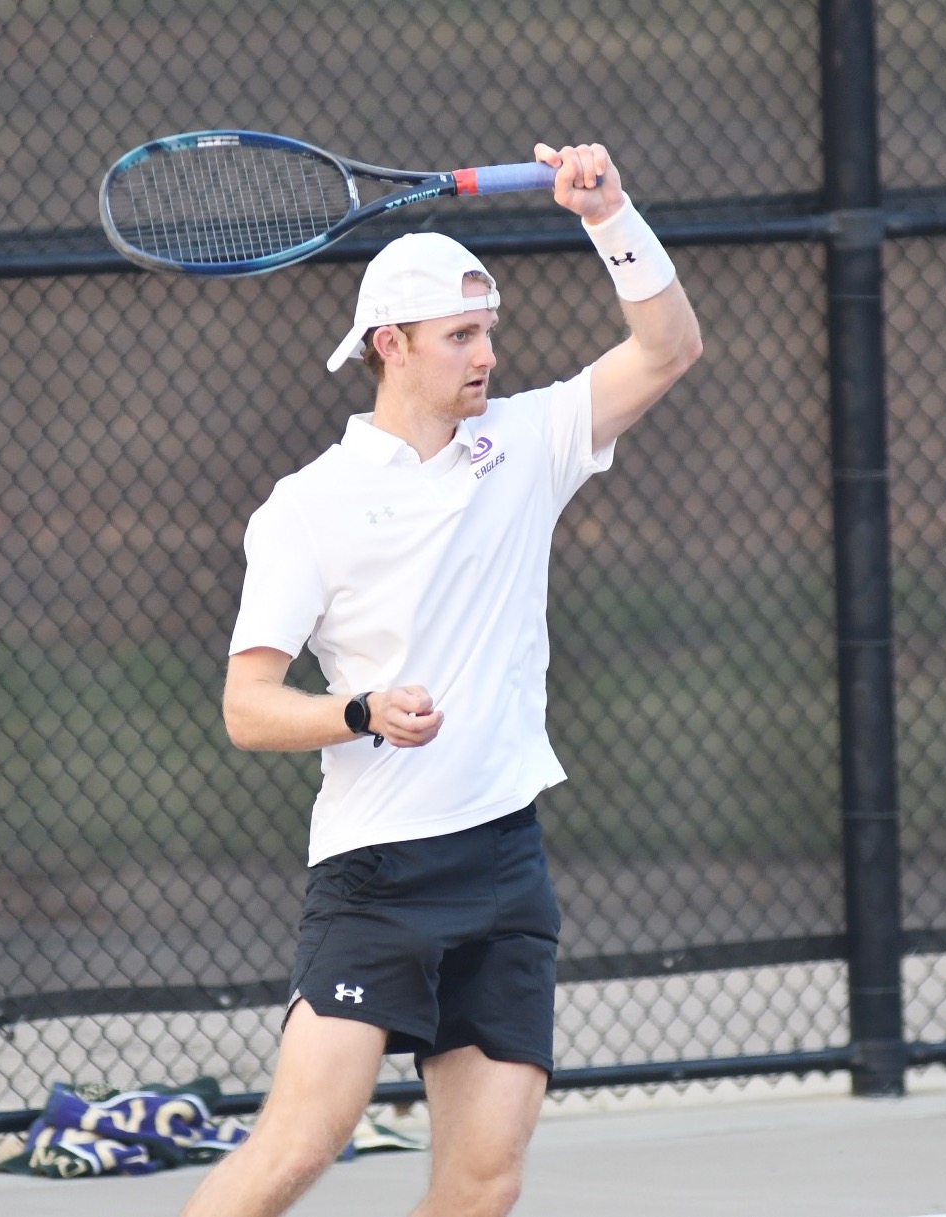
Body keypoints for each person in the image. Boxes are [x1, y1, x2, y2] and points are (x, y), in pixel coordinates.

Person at [184, 141, 702, 1217]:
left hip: (505, 863)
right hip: (376, 878)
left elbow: (666, 347)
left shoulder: (525, 442)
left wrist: (606, 212)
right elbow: (246, 706)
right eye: (460, 335)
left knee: (481, 1181)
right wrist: (358, 711)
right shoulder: (306, 507)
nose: (485, 355)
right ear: (390, 345)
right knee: (295, 1147)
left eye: (489, 332)